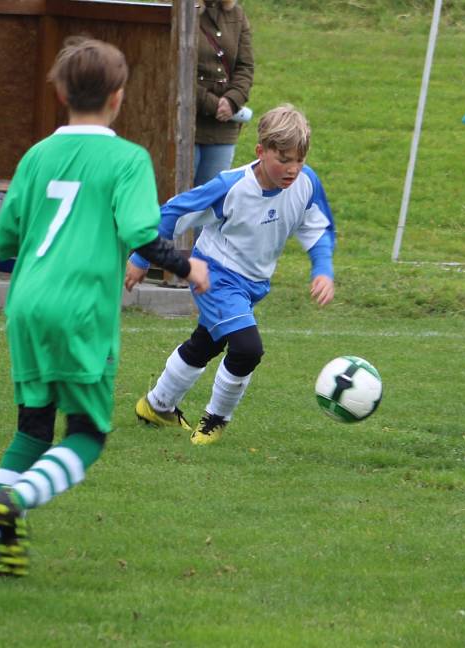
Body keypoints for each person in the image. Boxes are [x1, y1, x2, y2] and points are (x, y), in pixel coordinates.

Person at [0, 37, 209, 577]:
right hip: (81, 311)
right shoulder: (127, 159)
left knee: (32, 428)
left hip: (26, 305)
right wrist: (188, 265)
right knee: (85, 434)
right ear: (119, 98)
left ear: (59, 92)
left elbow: (3, 238)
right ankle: (17, 500)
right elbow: (142, 233)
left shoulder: (37, 156)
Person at [126, 104, 335, 446]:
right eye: (282, 159)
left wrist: (323, 270)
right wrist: (142, 256)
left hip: (253, 283)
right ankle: (215, 421)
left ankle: (156, 406)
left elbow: (318, 229)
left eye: (298, 160)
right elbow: (176, 210)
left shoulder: (307, 183)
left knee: (207, 342)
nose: (291, 169)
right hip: (215, 274)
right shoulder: (231, 186)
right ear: (260, 151)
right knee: (247, 348)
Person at [194, 0, 255, 187]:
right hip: (187, 125)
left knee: (211, 202)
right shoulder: (178, 11)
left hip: (223, 128)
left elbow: (245, 67)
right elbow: (172, 68)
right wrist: (212, 105)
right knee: (176, 199)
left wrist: (232, 100)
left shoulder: (237, 14)